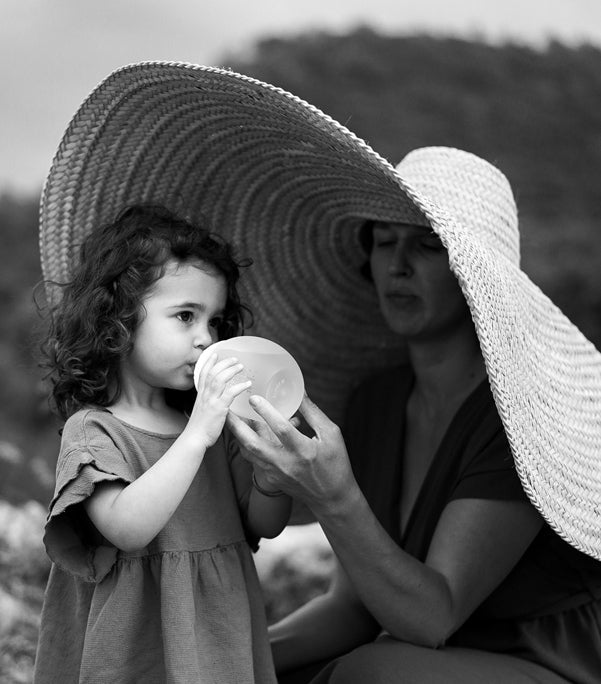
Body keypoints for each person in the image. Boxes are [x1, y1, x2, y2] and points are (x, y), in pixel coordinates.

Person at [35, 61, 601, 683]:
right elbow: (352, 609)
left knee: (366, 675)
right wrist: (222, 664)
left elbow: (431, 617)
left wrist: (331, 494)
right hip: (422, 657)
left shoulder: (516, 424)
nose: (396, 265)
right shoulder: (376, 402)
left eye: (426, 246)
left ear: (475, 282)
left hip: (538, 664)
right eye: (383, 243)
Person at [33, 204, 291, 683]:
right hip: (134, 653)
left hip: (215, 637)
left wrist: (271, 477)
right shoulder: (95, 430)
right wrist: (197, 434)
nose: (205, 340)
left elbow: (264, 526)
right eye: (185, 316)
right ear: (118, 319)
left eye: (214, 321)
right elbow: (127, 529)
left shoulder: (214, 423)